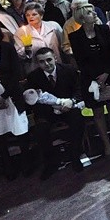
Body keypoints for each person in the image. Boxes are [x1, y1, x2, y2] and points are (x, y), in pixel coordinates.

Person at [70, 5, 110, 157]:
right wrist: (97, 78)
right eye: (89, 12)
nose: (94, 13)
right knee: (98, 112)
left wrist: (105, 74)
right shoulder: (75, 36)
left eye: (93, 10)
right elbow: (81, 61)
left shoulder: (104, 30)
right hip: (91, 80)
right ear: (81, 18)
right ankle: (106, 143)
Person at [25, 47, 85, 180]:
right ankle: (51, 163)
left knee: (78, 119)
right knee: (40, 129)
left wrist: (71, 101)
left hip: (68, 107)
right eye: (42, 62)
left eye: (49, 60)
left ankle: (75, 156)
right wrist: (51, 106)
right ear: (38, 63)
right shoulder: (33, 77)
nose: (46, 64)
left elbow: (79, 89)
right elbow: (33, 101)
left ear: (55, 58)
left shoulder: (69, 69)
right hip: (47, 111)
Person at [0, 19, 30, 180]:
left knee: (19, 129)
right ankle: (8, 168)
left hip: (11, 93)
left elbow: (16, 73)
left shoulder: (6, 48)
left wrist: (5, 95)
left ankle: (26, 164)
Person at [13, 2, 64, 74]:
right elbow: (19, 53)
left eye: (34, 14)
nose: (30, 17)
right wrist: (26, 50)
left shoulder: (53, 26)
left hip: (57, 65)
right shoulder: (20, 32)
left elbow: (63, 44)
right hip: (35, 68)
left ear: (41, 15)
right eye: (28, 15)